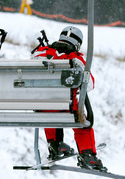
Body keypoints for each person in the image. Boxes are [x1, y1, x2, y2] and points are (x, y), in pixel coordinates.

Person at [31, 26, 107, 172]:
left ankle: (55, 145)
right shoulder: (76, 58)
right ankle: (87, 154)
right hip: (64, 107)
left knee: (49, 106)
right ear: (77, 44)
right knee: (81, 119)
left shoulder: (40, 53)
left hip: (41, 106)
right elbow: (89, 85)